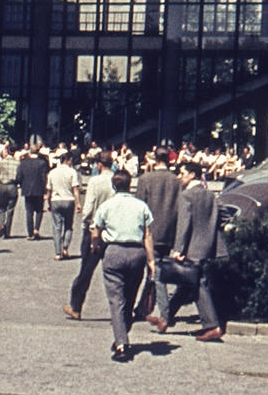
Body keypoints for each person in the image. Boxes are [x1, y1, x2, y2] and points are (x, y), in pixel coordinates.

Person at [91, 171, 156, 362]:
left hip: (114, 252)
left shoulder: (107, 206)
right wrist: (151, 260)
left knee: (115, 300)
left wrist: (95, 245)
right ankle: (123, 331)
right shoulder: (141, 206)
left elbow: (96, 231)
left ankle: (121, 343)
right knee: (129, 296)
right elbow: (148, 235)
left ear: (113, 186)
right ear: (130, 185)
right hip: (137, 253)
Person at [165, 160, 227, 341]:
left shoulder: (186, 196)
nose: (179, 177)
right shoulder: (210, 194)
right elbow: (224, 214)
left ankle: (212, 326)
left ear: (192, 174)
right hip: (207, 247)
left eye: (181, 173)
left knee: (198, 283)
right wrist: (210, 230)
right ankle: (166, 317)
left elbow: (183, 226)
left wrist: (178, 249)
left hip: (191, 247)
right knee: (189, 283)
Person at [132, 149, 182, 331]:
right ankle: (142, 308)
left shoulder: (145, 179)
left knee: (156, 272)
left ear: (154, 158)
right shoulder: (177, 180)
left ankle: (165, 312)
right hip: (169, 231)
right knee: (153, 269)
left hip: (150, 232)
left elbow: (139, 206)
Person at [65, 149, 116, 320]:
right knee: (114, 275)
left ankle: (76, 306)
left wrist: (85, 222)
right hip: (113, 230)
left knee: (86, 271)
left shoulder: (95, 181)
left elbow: (89, 206)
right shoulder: (117, 180)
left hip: (94, 230)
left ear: (99, 164)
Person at [46, 151, 80, 259]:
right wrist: (78, 203)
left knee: (57, 227)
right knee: (68, 226)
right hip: (69, 200)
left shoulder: (52, 172)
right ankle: (65, 248)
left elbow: (48, 190)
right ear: (69, 160)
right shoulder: (72, 172)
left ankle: (57, 252)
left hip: (55, 200)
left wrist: (49, 202)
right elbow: (75, 189)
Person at [16, 144, 49, 239]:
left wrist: (22, 185)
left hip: (27, 189)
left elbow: (19, 176)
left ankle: (30, 233)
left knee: (29, 211)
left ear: (30, 152)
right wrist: (45, 190)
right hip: (39, 189)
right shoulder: (42, 163)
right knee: (39, 210)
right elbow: (44, 178)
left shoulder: (24, 163)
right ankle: (36, 229)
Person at [0, 141, 20, 237]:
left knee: (1, 208)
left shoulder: (1, 162)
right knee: (10, 209)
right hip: (13, 186)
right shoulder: (18, 164)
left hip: (2, 186)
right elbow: (19, 176)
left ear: (7, 151)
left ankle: (1, 224)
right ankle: (7, 230)